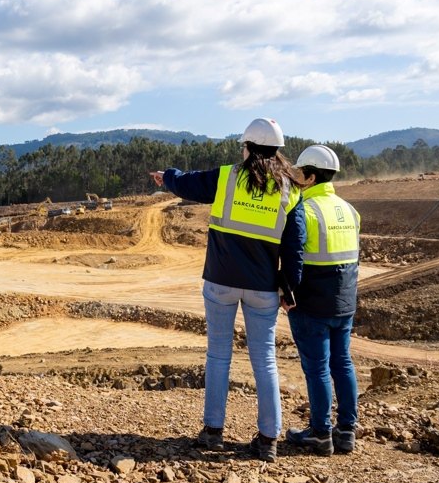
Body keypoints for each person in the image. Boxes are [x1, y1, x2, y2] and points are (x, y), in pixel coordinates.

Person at [149, 117, 305, 462]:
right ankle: (268, 440)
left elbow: (189, 184)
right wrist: (289, 288)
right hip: (263, 287)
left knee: (219, 355)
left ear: (246, 148)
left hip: (220, 280)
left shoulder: (227, 177)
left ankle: (213, 432)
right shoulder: (290, 191)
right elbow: (295, 247)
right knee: (264, 360)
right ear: (278, 153)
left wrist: (168, 176)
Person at [284, 144, 361, 456]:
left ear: (311, 176)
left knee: (317, 369)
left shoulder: (305, 210)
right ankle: (346, 432)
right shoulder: (350, 210)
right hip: (345, 301)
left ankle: (320, 433)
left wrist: (286, 291)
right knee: (342, 363)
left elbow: (295, 255)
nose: (298, 179)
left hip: (312, 303)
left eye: (301, 174)